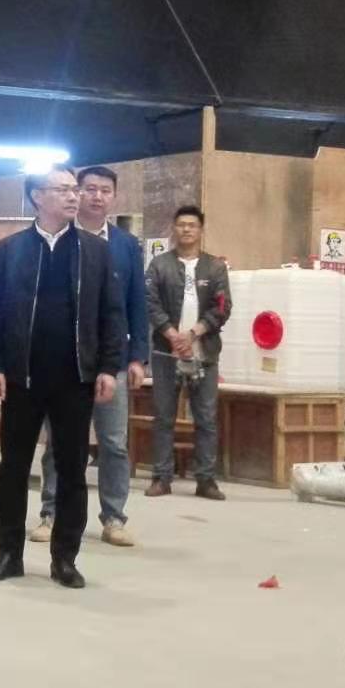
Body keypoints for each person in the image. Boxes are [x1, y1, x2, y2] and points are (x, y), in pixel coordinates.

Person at [0, 166, 124, 589]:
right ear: (36, 197)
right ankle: (9, 554)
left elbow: (112, 314)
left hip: (75, 378)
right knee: (13, 468)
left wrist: (108, 367)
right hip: (22, 378)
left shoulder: (96, 252)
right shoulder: (10, 250)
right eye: (62, 190)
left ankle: (65, 559)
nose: (74, 196)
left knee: (73, 469)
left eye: (74, 189)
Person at [31, 165, 148, 547]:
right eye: (90, 189)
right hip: (68, 361)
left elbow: (136, 303)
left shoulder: (126, 245)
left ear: (114, 196)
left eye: (105, 190)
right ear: (76, 193)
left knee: (113, 442)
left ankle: (114, 516)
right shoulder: (61, 239)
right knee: (60, 441)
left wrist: (137, 357)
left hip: (113, 360)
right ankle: (51, 512)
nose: (97, 196)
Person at [144, 205, 231, 501]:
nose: (186, 229)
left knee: (206, 417)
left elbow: (222, 307)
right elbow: (150, 302)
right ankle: (161, 477)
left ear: (201, 230)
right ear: (174, 228)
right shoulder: (159, 265)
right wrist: (171, 334)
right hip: (166, 352)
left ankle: (206, 480)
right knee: (163, 416)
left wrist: (193, 333)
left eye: (192, 225)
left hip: (204, 352)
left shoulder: (215, 267)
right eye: (181, 224)